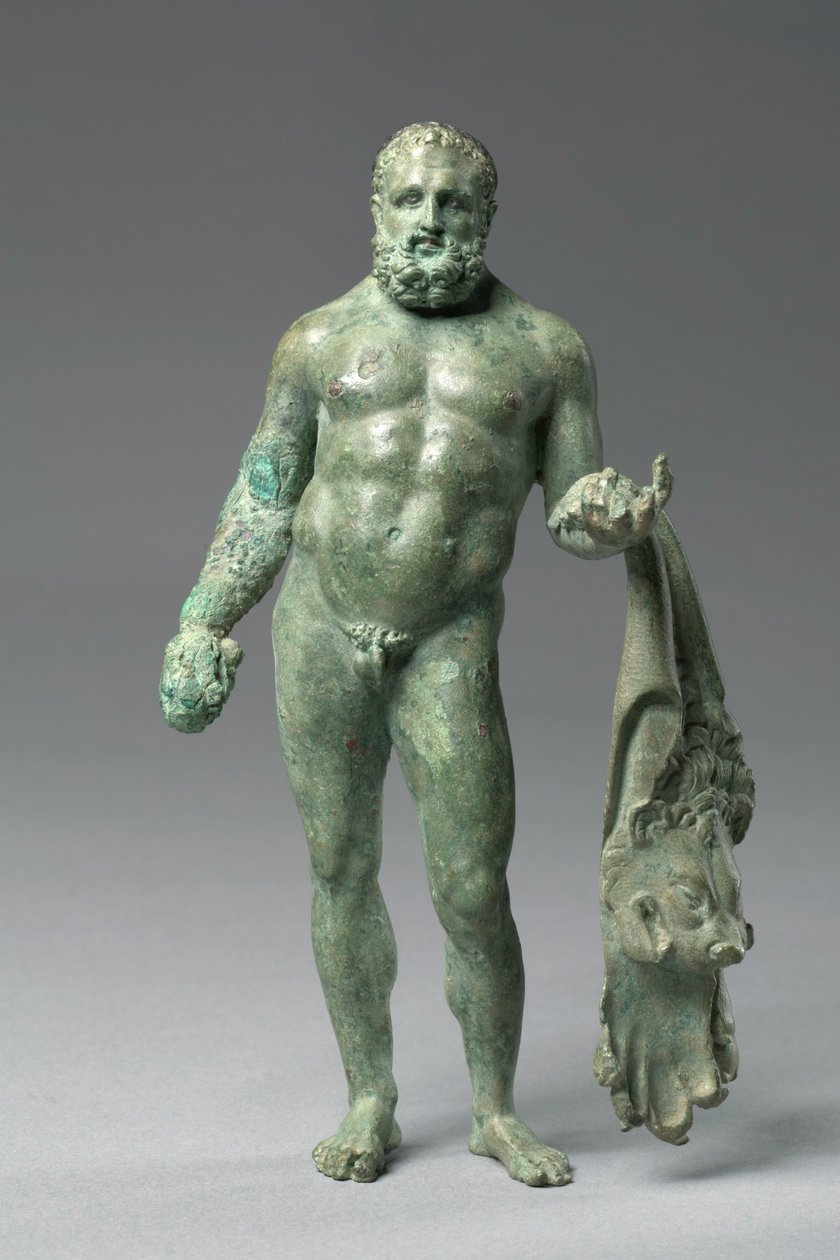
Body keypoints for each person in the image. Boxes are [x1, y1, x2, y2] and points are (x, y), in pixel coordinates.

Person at [160, 122, 671, 1186]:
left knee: (473, 887)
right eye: (409, 200)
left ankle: (493, 1109)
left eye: (451, 202)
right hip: (320, 626)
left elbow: (570, 508)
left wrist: (606, 518)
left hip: (449, 638)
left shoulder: (546, 350)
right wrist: (204, 619)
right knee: (340, 869)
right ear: (376, 209)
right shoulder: (315, 340)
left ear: (485, 216)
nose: (429, 220)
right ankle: (370, 1097)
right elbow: (263, 491)